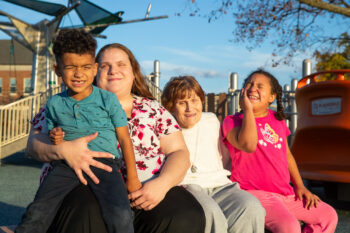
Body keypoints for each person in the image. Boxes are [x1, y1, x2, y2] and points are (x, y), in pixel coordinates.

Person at [26, 43, 205, 233]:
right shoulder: (64, 103)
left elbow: (179, 151)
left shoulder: (153, 110)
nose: (113, 71)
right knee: (85, 212)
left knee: (186, 214)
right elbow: (33, 145)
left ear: (133, 72)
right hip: (84, 184)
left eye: (121, 64)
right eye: (105, 66)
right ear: (95, 72)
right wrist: (63, 150)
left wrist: (162, 184)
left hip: (147, 190)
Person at [16, 29, 141, 233]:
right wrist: (55, 136)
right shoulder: (55, 103)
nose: (78, 73)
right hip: (65, 166)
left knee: (120, 214)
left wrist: (133, 179)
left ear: (94, 69)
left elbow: (124, 139)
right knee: (38, 210)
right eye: (70, 67)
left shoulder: (107, 99)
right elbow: (52, 136)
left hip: (106, 164)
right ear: (57, 70)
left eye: (85, 67)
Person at [221, 69, 338, 233]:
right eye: (249, 84)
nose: (253, 88)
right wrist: (248, 110)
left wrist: (300, 186)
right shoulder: (231, 121)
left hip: (285, 194)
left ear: (271, 97)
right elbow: (248, 145)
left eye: (260, 86)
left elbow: (287, 155)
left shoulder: (277, 120)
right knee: (290, 227)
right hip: (254, 193)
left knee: (328, 216)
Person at [161, 75, 265, 233]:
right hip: (187, 186)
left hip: (219, 186)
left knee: (251, 206)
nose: (190, 108)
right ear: (171, 107)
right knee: (210, 213)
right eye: (182, 103)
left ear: (201, 101)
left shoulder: (211, 121)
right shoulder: (165, 128)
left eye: (194, 100)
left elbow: (224, 157)